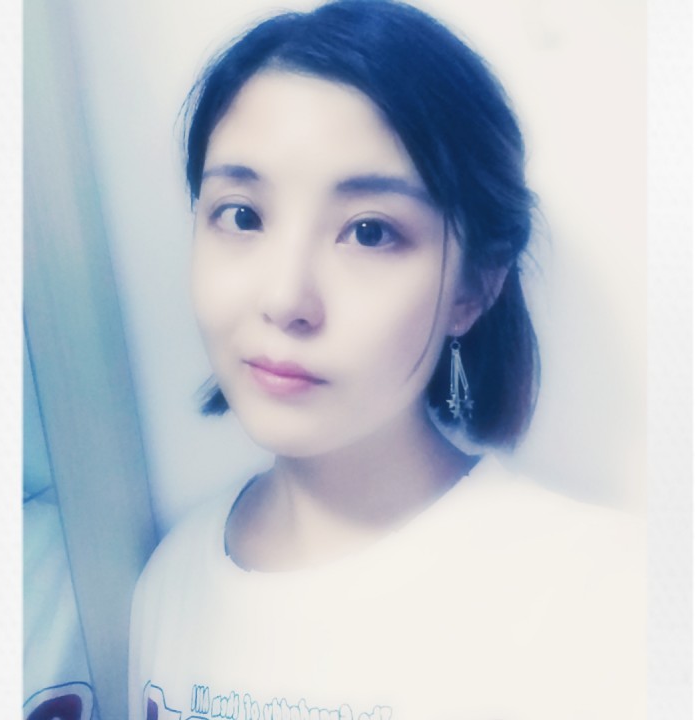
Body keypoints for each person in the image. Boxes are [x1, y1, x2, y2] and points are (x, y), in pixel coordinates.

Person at [129, 2, 645, 718]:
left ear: (474, 286)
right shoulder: (170, 581)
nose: (285, 298)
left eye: (369, 232)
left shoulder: (604, 604)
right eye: (242, 215)